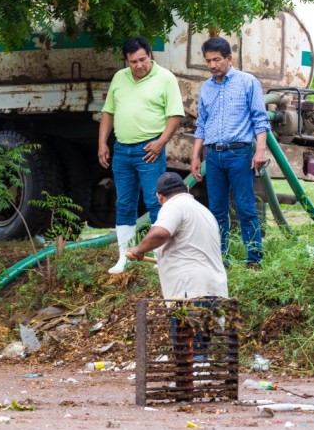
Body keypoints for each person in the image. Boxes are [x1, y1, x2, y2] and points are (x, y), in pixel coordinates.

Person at [98, 36, 185, 274]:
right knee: (124, 203)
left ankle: (160, 259)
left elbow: (175, 115)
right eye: (133, 62)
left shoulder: (166, 78)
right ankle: (124, 258)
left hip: (149, 149)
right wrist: (102, 143)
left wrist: (160, 143)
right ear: (126, 61)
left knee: (156, 202)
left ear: (150, 55)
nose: (139, 65)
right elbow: (108, 112)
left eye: (142, 59)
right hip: (122, 149)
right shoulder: (119, 78)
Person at [189, 36, 270, 269]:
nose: (213, 65)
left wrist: (260, 151)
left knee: (245, 208)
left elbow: (260, 119)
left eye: (217, 60)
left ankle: (254, 259)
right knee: (216, 210)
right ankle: (219, 259)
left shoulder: (247, 82)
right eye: (208, 61)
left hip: (240, 154)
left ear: (229, 58)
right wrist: (196, 156)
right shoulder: (206, 88)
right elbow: (201, 124)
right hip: (213, 156)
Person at [128, 172, 228, 300]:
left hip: (191, 288)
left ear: (159, 197)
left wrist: (138, 250)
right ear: (186, 188)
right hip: (216, 288)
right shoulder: (205, 211)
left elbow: (159, 234)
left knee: (188, 320)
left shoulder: (173, 205)